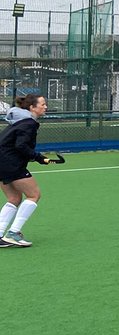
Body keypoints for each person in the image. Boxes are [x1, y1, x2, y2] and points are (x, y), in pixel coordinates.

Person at [0, 93, 53, 248]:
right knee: (34, 194)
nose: (45, 107)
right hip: (10, 164)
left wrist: (35, 157)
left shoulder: (19, 121)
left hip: (3, 163)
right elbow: (21, 146)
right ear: (32, 107)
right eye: (42, 104)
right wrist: (38, 157)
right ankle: (14, 233)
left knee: (14, 198)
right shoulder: (28, 123)